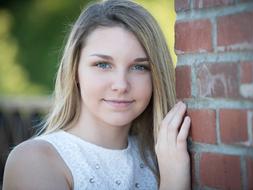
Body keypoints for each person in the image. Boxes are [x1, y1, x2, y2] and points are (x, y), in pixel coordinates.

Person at [3, 0, 191, 189]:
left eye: (139, 67)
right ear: (75, 71)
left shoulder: (166, 156)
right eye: (102, 64)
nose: (121, 85)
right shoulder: (34, 160)